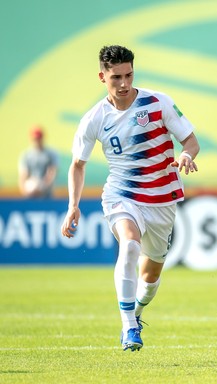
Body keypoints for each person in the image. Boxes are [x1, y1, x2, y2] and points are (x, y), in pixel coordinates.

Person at [60, 45, 200, 351]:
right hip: (122, 195)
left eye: (128, 75)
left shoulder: (158, 102)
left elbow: (190, 140)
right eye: (116, 78)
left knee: (149, 278)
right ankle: (128, 327)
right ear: (102, 77)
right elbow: (77, 165)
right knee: (130, 244)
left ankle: (136, 313)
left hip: (163, 199)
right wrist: (73, 206)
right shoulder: (93, 119)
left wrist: (187, 154)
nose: (123, 83)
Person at [18, 125, 59, 198]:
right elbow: (23, 175)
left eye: (39, 138)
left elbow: (52, 172)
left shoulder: (50, 154)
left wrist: (43, 187)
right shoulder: (26, 155)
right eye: (35, 139)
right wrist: (25, 190)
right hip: (30, 192)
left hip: (46, 194)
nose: (37, 141)